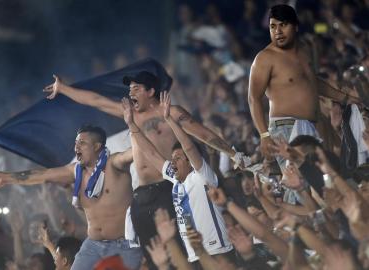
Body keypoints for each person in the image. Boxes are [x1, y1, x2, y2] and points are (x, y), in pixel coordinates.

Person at [43, 70, 247, 267]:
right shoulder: (130, 114)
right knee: (152, 255)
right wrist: (63, 89)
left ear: (151, 92)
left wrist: (233, 154)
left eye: (136, 88)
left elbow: (204, 134)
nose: (131, 93)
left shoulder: (172, 113)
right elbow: (96, 101)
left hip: (169, 189)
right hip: (141, 194)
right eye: (130, 89)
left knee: (178, 250)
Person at [0, 125, 142, 270]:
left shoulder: (114, 163)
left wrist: (134, 125)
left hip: (124, 243)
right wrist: (8, 178)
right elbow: (42, 175)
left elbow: (135, 150)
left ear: (96, 146)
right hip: (93, 245)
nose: (76, 147)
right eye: (76, 143)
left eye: (82, 143)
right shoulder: (75, 171)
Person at [122, 92, 233, 265]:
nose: (173, 162)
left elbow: (189, 147)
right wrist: (131, 124)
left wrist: (169, 120)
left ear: (190, 162)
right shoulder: (175, 180)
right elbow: (150, 152)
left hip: (217, 252)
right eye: (172, 159)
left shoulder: (202, 177)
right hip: (194, 256)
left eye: (178, 158)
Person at [248, 4, 360, 166]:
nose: (277, 31)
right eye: (273, 27)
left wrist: (345, 97)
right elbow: (254, 98)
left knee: (321, 182)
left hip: (312, 125)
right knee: (302, 184)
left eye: (283, 25)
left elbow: (312, 83)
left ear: (296, 27)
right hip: (285, 127)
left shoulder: (304, 50)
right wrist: (264, 135)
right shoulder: (265, 58)